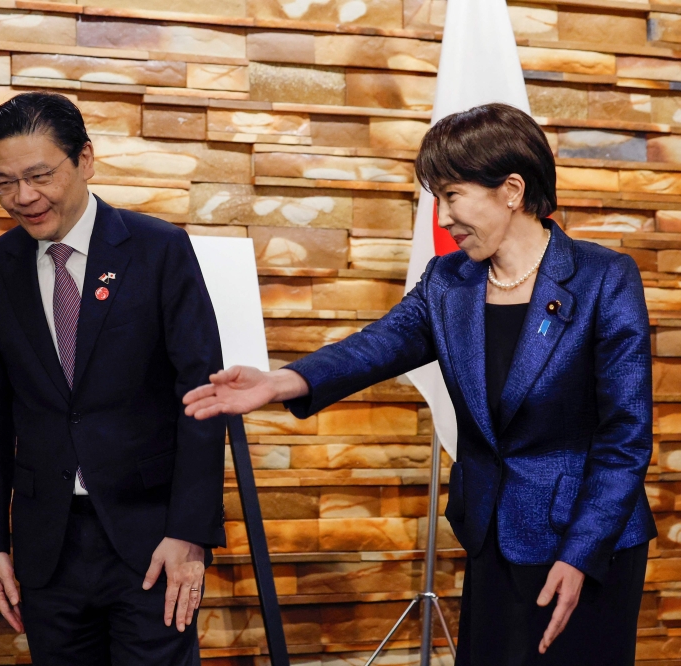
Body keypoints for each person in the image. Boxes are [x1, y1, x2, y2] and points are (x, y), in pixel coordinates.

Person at [183, 103, 656, 665]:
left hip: (585, 540)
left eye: (452, 195)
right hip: (492, 535)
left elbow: (625, 437)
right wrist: (281, 381)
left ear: (511, 189)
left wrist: (580, 554)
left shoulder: (604, 278)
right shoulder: (449, 281)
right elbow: (377, 345)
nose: (443, 216)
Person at [0, 92, 226, 665]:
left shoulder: (158, 249)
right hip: (46, 546)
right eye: (4, 182)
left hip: (151, 540)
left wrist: (190, 534)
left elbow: (202, 399)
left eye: (39, 175)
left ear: (84, 159)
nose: (24, 197)